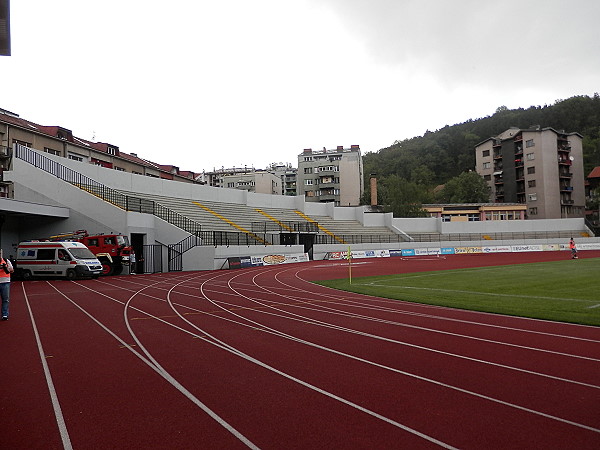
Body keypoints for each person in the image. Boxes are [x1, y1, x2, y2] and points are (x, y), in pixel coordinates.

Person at [0, 250, 14, 320]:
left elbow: (12, 270)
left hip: (5, 282)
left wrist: (5, 268)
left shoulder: (6, 261)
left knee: (5, 299)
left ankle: (5, 314)